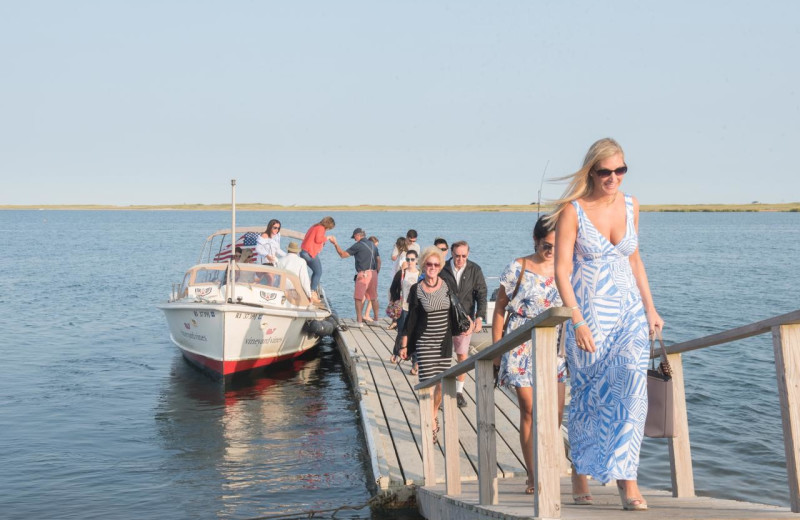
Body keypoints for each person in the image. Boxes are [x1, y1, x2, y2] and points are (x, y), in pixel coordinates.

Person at [551, 138, 663, 511]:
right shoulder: (574, 211)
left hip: (629, 312)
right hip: (590, 315)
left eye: (620, 170)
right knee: (588, 397)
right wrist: (577, 321)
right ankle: (580, 472)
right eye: (605, 171)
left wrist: (651, 309)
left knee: (633, 392)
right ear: (591, 172)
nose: (613, 177)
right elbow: (562, 272)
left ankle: (627, 481)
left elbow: (635, 260)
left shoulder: (632, 206)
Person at [493, 216, 590, 499]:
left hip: (554, 348)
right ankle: (534, 474)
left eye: (558, 244)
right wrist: (497, 350)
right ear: (535, 241)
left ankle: (549, 464)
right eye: (547, 245)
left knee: (556, 416)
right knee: (530, 409)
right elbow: (500, 308)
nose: (552, 250)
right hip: (519, 345)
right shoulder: (518, 267)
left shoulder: (567, 268)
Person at [398, 246, 460, 444]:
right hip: (425, 342)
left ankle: (433, 413)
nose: (432, 268)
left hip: (444, 342)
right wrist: (404, 344)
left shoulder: (447, 284)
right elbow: (411, 319)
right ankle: (430, 424)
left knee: (441, 383)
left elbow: (457, 307)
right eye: (429, 264)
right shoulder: (417, 289)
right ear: (423, 265)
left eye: (436, 264)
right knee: (427, 385)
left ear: (440, 266)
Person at [440, 240, 487, 409]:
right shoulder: (442, 269)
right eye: (457, 256)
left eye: (463, 256)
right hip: (443, 319)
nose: (460, 259)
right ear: (451, 254)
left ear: (468, 254)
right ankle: (440, 391)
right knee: (443, 357)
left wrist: (480, 317)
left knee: (462, 356)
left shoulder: (475, 270)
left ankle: (459, 392)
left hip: (464, 321)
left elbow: (481, 294)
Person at [330, 228, 381, 328]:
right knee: (373, 298)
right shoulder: (373, 245)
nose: (354, 239)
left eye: (354, 237)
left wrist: (335, 244)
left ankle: (359, 322)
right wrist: (376, 272)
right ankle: (376, 320)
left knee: (358, 298)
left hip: (363, 274)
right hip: (374, 274)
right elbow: (379, 260)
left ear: (358, 235)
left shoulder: (358, 245)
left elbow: (343, 255)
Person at [388, 249, 420, 358]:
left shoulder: (420, 274)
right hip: (403, 307)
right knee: (402, 331)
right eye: (408, 259)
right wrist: (396, 300)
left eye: (412, 259)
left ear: (417, 260)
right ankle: (396, 352)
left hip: (416, 308)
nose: (410, 261)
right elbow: (393, 289)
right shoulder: (401, 273)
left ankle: (415, 361)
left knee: (415, 333)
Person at [300, 216, 336, 300]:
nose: (328, 230)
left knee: (313, 272)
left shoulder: (314, 226)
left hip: (303, 251)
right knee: (318, 272)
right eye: (330, 228)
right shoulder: (321, 228)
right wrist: (328, 237)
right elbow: (318, 239)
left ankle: (310, 290)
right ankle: (312, 292)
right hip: (309, 253)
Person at [363, 236, 380, 322]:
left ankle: (363, 315)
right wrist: (377, 272)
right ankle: (366, 315)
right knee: (373, 296)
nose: (376, 248)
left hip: (364, 274)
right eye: (376, 245)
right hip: (372, 274)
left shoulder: (365, 251)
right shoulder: (373, 252)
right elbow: (378, 262)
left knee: (366, 296)